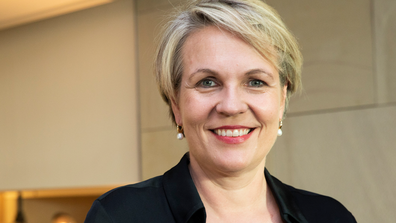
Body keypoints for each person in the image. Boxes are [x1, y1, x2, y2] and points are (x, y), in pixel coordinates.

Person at [85, 0, 356, 222]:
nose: (231, 106)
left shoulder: (330, 217)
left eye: (255, 82)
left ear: (282, 100)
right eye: (207, 82)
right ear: (176, 104)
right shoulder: (119, 215)